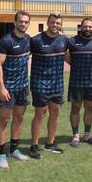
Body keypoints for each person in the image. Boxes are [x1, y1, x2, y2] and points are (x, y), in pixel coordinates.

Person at [0, 10, 31, 169]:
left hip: (23, 88)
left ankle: (14, 150)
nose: (23, 24)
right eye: (20, 21)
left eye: (26, 22)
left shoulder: (29, 39)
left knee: (19, 118)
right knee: (4, 120)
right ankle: (1, 155)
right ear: (15, 22)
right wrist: (1, 87)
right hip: (8, 89)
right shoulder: (5, 41)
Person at [29, 13, 68, 157]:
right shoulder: (36, 40)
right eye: (52, 22)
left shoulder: (64, 40)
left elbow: (70, 58)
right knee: (40, 114)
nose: (55, 25)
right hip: (40, 83)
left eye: (57, 23)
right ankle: (34, 146)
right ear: (47, 22)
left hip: (57, 84)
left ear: (61, 25)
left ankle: (50, 143)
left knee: (55, 113)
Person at [67, 18, 92, 147]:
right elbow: (66, 56)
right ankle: (75, 136)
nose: (87, 29)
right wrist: (75, 65)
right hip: (76, 82)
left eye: (90, 27)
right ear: (80, 27)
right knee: (75, 108)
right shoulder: (72, 41)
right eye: (85, 27)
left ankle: (87, 135)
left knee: (89, 108)